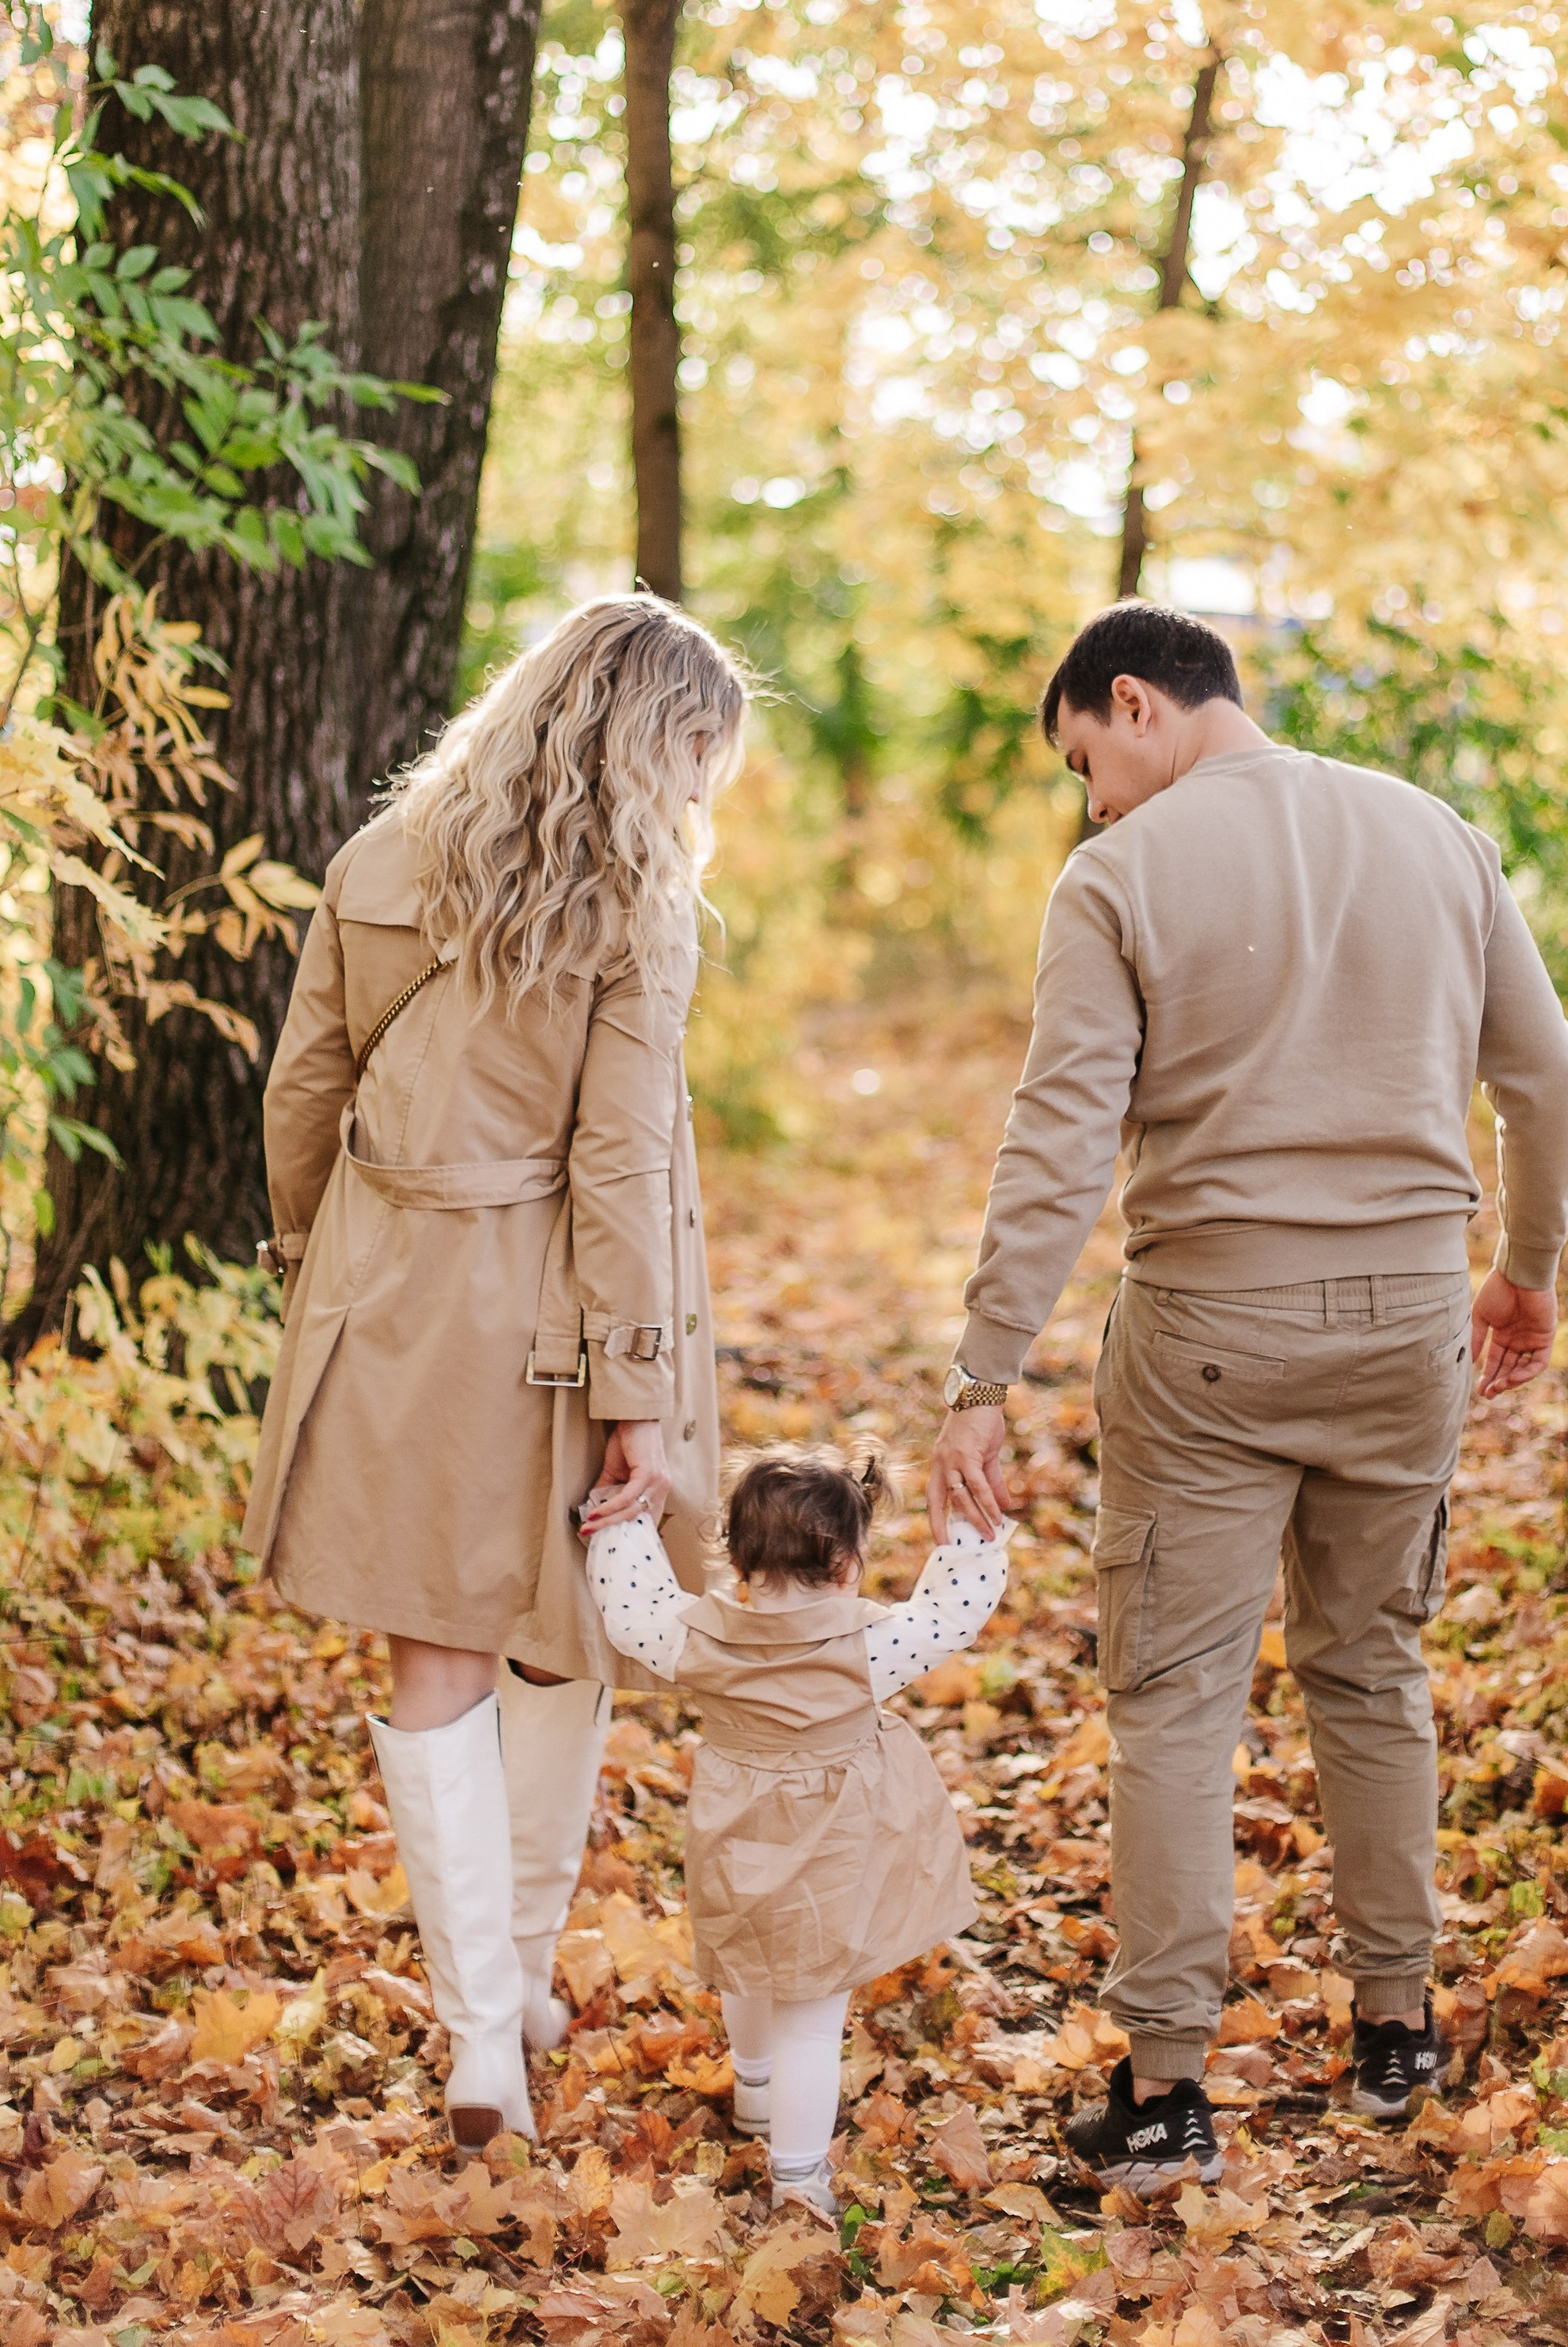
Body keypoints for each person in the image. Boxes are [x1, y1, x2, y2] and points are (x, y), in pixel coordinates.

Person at [927, 601, 1568, 2181]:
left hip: (1212, 1335)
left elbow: (1061, 1138)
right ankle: (1396, 2033)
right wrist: (1528, 1268)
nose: (1091, 802)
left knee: (1171, 1703)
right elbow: (1542, 1074)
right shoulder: (1429, 833)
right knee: (1369, 1671)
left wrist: (982, 1371)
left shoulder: (1116, 878)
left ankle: (1163, 2095)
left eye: (1087, 760)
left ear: (1133, 703)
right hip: (1411, 1323)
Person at [244, 595, 746, 2151]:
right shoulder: (633, 901)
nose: (700, 801)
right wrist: (638, 1393)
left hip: (386, 1282)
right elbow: (617, 1161)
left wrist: (309, 1260)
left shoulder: (380, 862)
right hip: (548, 1311)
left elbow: (302, 1087)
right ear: (653, 739)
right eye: (701, 761)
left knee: (434, 1655)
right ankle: (513, 1980)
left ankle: (484, 2037)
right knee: (564, 1637)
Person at [587, 1446, 1009, 2219]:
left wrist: (624, 1524)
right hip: (833, 1847)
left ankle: (752, 2087)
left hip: (734, 1832)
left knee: (745, 1963)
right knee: (812, 2018)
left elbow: (631, 1609)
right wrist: (975, 1535)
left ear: (736, 1560)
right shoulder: (868, 1647)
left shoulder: (697, 1636)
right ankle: (799, 2183)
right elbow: (952, 1614)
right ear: (848, 1564)